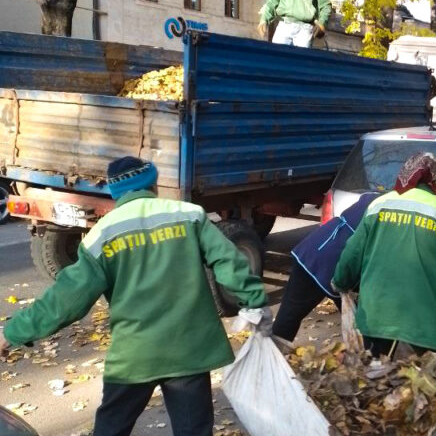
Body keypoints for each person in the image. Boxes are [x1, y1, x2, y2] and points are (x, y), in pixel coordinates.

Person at [0, 157, 270, 436]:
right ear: (152, 184)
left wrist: (12, 333)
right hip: (189, 351)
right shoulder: (189, 215)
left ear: (115, 192)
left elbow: (65, 300)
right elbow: (229, 261)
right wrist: (254, 303)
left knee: (111, 429)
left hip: (134, 357)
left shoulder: (101, 235)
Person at [333, 152, 436, 357]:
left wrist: (340, 282)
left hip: (377, 321)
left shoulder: (378, 205)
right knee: (426, 376)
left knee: (380, 373)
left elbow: (352, 254)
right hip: (432, 330)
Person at [272, 192, 380, 341]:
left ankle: (271, 351)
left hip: (310, 250)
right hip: (333, 262)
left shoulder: (373, 198)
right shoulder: (387, 211)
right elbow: (353, 253)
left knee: (288, 316)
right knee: (363, 324)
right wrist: (342, 283)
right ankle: (369, 351)